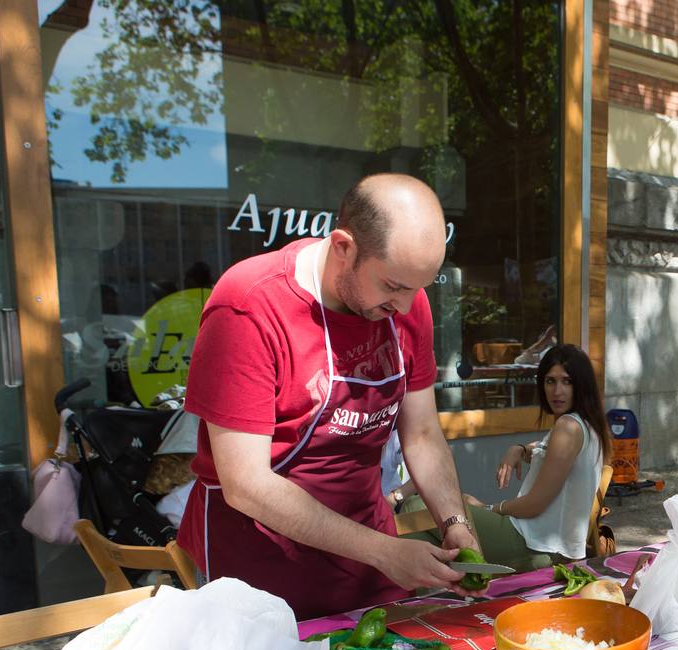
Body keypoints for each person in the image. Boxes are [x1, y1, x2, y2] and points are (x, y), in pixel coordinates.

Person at [178, 173, 480, 619]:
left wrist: (455, 523)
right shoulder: (249, 306)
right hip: (257, 566)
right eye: (393, 286)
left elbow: (420, 433)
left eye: (419, 287)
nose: (405, 304)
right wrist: (383, 551)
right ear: (343, 247)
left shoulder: (408, 304)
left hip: (368, 559)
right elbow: (246, 485)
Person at [405, 344, 610, 571]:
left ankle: (437, 597)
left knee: (417, 508)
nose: (557, 391)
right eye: (550, 381)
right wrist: (519, 449)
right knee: (443, 517)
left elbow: (535, 505)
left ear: (581, 385)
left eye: (567, 381)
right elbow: (544, 452)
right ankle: (455, 591)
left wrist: (489, 508)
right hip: (542, 543)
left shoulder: (568, 427)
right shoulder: (587, 425)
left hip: (535, 547)